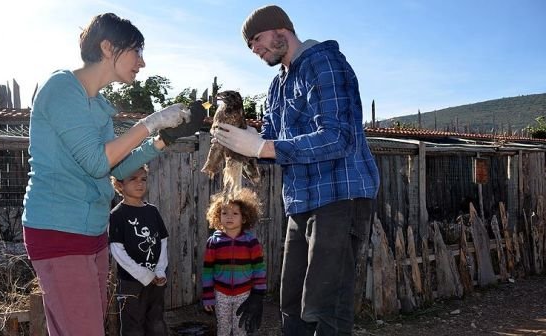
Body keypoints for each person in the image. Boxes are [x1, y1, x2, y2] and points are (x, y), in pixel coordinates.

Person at [22, 13, 203, 336]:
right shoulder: (62, 88)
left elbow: (116, 168)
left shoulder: (99, 105)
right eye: (137, 51)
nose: (142, 63)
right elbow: (95, 162)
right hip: (59, 229)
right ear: (108, 47)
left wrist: (163, 139)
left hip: (91, 232)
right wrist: (150, 122)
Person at [213, 5, 380, 335]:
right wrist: (237, 142)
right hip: (301, 202)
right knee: (291, 305)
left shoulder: (325, 63)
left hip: (340, 197)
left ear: (280, 30)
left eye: (257, 40)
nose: (255, 49)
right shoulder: (276, 88)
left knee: (326, 305)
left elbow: (339, 137)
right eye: (249, 46)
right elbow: (271, 145)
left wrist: (262, 147)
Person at [109, 166, 169, 335]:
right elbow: (117, 250)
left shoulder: (152, 211)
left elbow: (163, 241)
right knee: (132, 326)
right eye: (133, 179)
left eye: (143, 179)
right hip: (131, 283)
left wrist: (159, 270)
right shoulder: (117, 215)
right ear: (120, 185)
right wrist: (143, 274)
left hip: (156, 280)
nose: (139, 183)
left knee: (156, 322)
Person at [201, 188, 267, 336]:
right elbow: (207, 271)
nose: (229, 217)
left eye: (235, 213)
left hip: (244, 294)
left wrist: (258, 293)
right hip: (221, 294)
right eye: (224, 213)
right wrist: (207, 296)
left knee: (240, 329)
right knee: (223, 329)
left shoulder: (251, 242)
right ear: (218, 216)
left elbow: (259, 269)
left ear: (244, 218)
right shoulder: (214, 242)